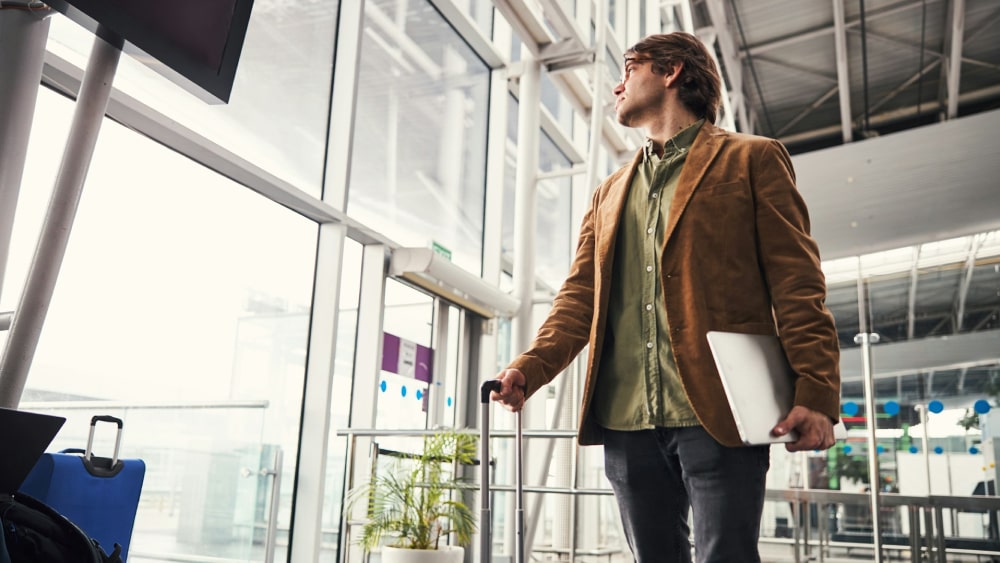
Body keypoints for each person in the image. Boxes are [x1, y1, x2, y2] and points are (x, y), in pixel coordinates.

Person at [490, 32, 841, 563]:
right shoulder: (608, 194)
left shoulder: (752, 159)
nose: (616, 84)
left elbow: (797, 284)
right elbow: (579, 298)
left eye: (629, 68)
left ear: (672, 71)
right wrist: (530, 368)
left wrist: (815, 392)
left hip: (718, 410)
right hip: (626, 418)